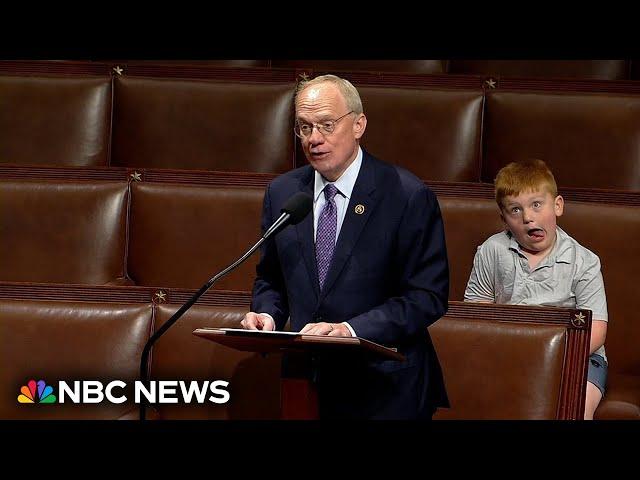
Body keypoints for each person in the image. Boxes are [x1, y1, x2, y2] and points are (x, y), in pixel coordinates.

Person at [241, 74, 450, 419]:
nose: (314, 139)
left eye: (326, 125)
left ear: (358, 124)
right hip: (307, 383)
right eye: (304, 128)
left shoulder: (405, 194)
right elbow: (271, 279)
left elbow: (426, 296)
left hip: (385, 387)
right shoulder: (284, 193)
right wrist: (267, 314)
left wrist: (351, 331)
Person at [464, 159, 608, 420]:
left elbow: (596, 329)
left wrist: (548, 357)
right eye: (515, 210)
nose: (528, 217)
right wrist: (513, 353)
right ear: (504, 219)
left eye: (536, 205)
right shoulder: (491, 251)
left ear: (558, 206)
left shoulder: (584, 261)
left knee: (577, 408)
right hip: (507, 353)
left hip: (576, 358)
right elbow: (477, 313)